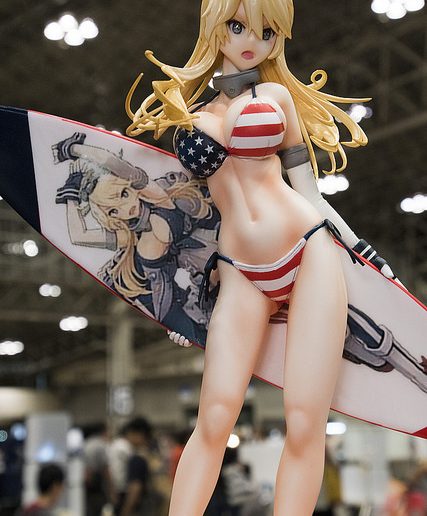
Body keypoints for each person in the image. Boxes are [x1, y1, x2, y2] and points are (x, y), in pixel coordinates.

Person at [125, 1, 396, 514]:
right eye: (238, 26)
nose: (253, 40)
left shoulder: (276, 97)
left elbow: (310, 193)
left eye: (268, 31)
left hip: (307, 249)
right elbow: (188, 218)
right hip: (239, 272)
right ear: (215, 28)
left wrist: (360, 248)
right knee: (213, 419)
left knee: (305, 422)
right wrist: (181, 299)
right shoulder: (190, 114)